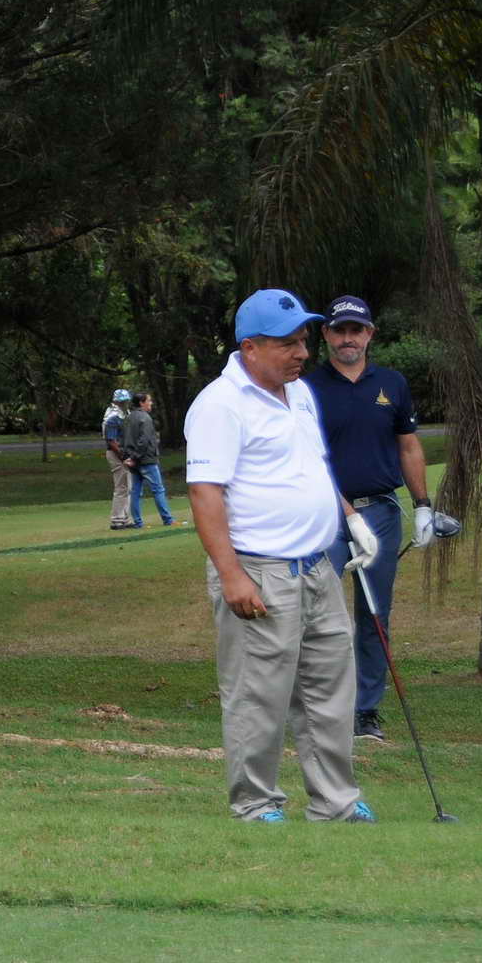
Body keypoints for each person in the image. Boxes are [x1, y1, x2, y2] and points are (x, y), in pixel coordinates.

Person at [183, 287, 380, 823]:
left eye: (302, 341)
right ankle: (255, 802)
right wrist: (231, 575)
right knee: (258, 694)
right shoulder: (220, 404)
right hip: (259, 570)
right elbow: (205, 494)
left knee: (329, 689)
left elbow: (312, 467)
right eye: (287, 344)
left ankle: (336, 801)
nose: (302, 353)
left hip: (318, 566)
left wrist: (350, 518)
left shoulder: (300, 393)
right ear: (249, 347)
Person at [305, 295, 439, 742]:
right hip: (323, 514)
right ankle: (319, 707)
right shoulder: (306, 388)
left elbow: (408, 445)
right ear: (326, 334)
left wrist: (422, 504)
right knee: (317, 611)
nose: (348, 338)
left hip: (381, 511)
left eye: (356, 330)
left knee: (375, 614)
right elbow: (304, 457)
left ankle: (365, 711)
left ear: (369, 334)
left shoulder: (392, 384)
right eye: (340, 330)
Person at [120, 391, 178, 528]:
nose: (151, 403)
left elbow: (123, 440)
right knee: (158, 489)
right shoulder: (145, 418)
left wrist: (127, 457)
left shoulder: (128, 418)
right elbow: (144, 441)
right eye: (149, 400)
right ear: (142, 403)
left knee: (135, 492)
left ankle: (138, 522)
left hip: (132, 461)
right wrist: (135, 457)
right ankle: (168, 519)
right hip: (146, 460)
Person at [102, 388, 133, 530]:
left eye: (126, 400)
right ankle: (117, 519)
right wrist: (123, 456)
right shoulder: (113, 416)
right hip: (116, 454)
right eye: (122, 401)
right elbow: (111, 441)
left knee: (127, 486)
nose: (125, 403)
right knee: (121, 487)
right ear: (116, 401)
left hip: (122, 453)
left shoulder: (124, 414)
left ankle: (125, 518)